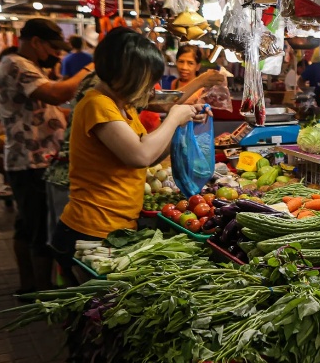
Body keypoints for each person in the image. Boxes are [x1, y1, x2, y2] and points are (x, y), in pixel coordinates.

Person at [50, 28, 208, 274]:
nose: (152, 86)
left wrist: (182, 123)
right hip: (91, 230)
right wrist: (174, 116)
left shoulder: (122, 106)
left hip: (115, 227)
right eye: (148, 78)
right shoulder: (97, 104)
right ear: (127, 73)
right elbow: (139, 155)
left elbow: (150, 156)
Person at [0, 18, 94, 295]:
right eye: (51, 48)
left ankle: (31, 287)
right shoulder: (16, 64)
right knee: (37, 229)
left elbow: (45, 111)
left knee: (28, 225)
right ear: (36, 42)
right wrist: (89, 68)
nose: (55, 55)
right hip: (30, 160)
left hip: (36, 159)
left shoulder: (29, 66)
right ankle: (41, 291)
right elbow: (56, 94)